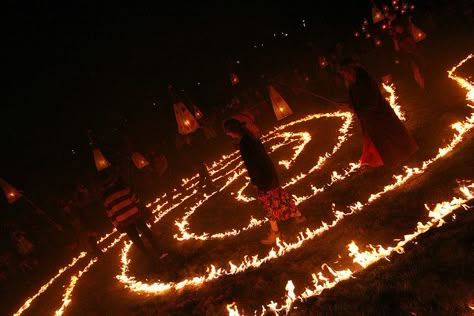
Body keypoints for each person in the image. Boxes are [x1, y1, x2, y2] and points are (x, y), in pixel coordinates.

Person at [223, 118, 306, 245]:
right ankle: (299, 216)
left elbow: (252, 163)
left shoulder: (245, 143)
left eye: (228, 132)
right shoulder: (250, 137)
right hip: (269, 171)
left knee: (268, 203)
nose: (228, 135)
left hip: (263, 176)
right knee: (279, 195)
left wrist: (256, 181)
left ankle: (275, 232)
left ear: (232, 131)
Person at [337, 58, 418, 170]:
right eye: (342, 74)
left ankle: (407, 157)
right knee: (382, 143)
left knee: (393, 137)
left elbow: (372, 101)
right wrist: (348, 104)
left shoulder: (365, 80)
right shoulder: (352, 84)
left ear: (351, 70)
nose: (344, 76)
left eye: (345, 72)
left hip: (380, 115)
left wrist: (360, 110)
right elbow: (357, 100)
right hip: (369, 119)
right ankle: (394, 162)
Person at [98, 169, 160, 259]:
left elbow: (110, 215)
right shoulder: (123, 188)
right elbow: (136, 199)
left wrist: (117, 226)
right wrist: (142, 209)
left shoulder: (106, 199)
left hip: (123, 221)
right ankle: (158, 250)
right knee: (147, 232)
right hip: (135, 215)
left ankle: (148, 256)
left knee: (136, 239)